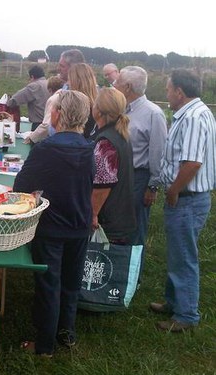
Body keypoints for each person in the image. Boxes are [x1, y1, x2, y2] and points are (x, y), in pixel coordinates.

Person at [14, 90, 95, 357]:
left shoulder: (46, 149)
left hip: (50, 225)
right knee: (72, 282)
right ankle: (66, 333)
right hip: (80, 223)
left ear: (58, 114)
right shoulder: (90, 148)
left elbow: (21, 186)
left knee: (49, 284)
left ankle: (44, 345)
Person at [151, 69, 216, 332]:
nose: (166, 95)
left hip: (187, 198)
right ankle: (174, 301)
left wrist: (173, 190)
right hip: (189, 198)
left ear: (179, 91)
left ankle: (186, 315)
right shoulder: (195, 113)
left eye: (168, 90)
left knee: (184, 256)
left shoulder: (192, 117)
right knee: (178, 253)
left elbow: (192, 163)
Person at [113, 66, 168, 250]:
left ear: (127, 87)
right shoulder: (119, 109)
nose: (114, 84)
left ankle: (132, 276)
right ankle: (114, 272)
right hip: (117, 176)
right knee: (116, 227)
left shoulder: (153, 114)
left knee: (134, 230)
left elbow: (158, 152)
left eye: (118, 82)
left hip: (138, 179)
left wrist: (152, 186)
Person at [91, 87, 136, 242]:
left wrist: (92, 213)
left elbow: (103, 185)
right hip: (122, 213)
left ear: (99, 111)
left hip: (109, 220)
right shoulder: (120, 134)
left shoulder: (106, 142)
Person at [7, 65, 50, 131]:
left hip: (39, 125)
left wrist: (8, 102)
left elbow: (14, 101)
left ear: (32, 77)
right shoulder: (49, 83)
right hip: (52, 123)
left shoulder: (34, 86)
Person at [25, 75, 65, 143]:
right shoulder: (66, 95)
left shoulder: (53, 99)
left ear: (50, 90)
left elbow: (47, 124)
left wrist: (32, 138)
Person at [67, 63, 99, 138]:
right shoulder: (99, 105)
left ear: (76, 82)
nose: (68, 83)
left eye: (69, 80)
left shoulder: (75, 108)